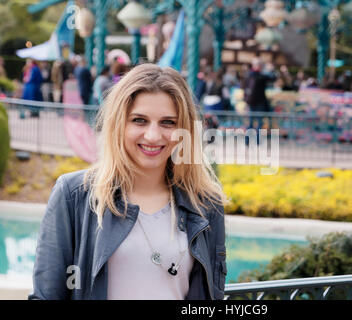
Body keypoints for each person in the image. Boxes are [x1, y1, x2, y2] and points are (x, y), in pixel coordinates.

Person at [29, 63, 228, 300]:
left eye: (168, 122)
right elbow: (47, 295)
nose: (153, 136)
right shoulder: (74, 195)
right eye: (139, 120)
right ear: (119, 124)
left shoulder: (207, 204)